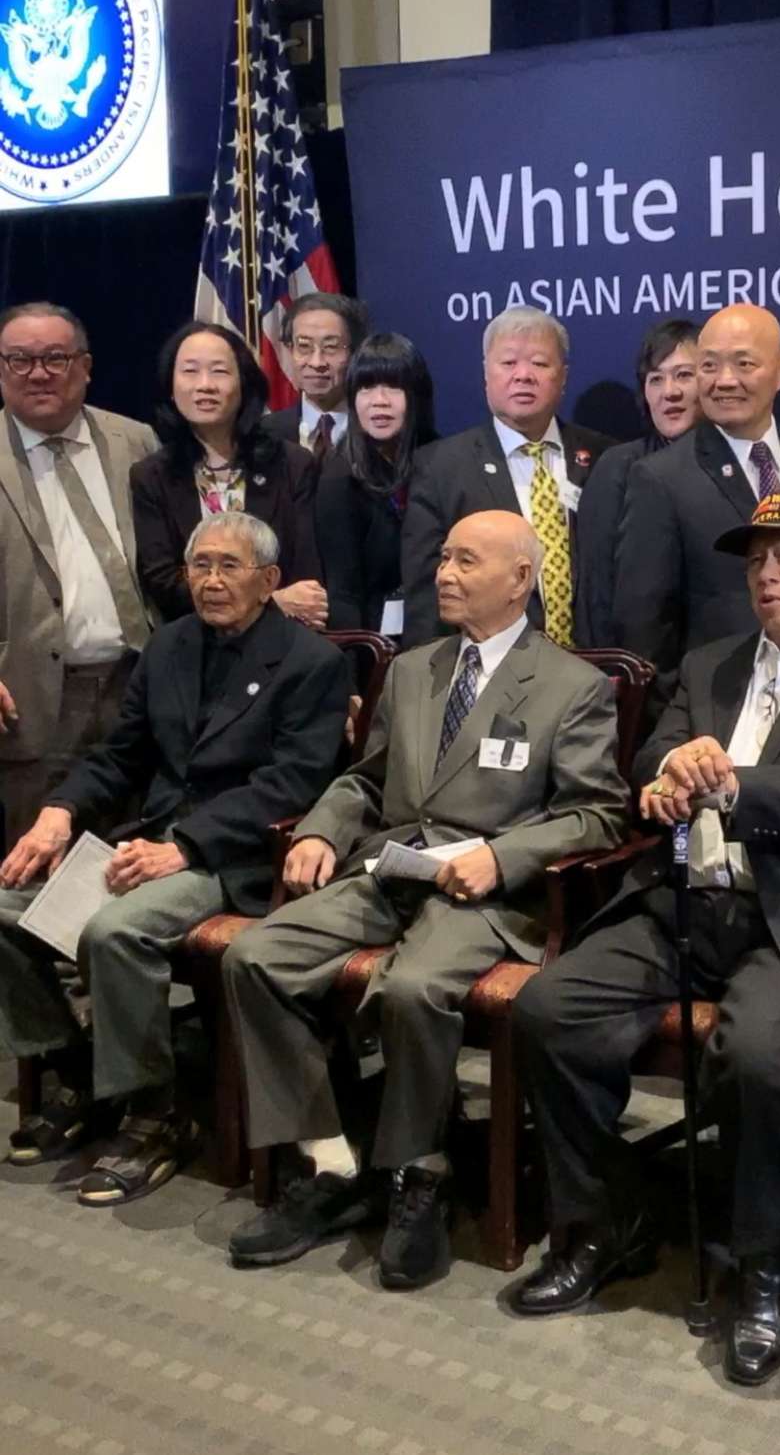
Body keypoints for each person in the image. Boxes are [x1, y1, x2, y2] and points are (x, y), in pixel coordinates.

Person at [509, 490, 780, 1390]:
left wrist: (733, 783)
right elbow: (649, 763)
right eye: (753, 562)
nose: (767, 575)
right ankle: (603, 1220)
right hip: (688, 900)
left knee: (760, 1055)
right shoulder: (708, 665)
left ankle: (762, 1267)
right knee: (549, 1008)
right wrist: (664, 780)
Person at [223, 509, 630, 1290]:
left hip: (481, 893)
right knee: (255, 954)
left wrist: (502, 856)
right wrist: (318, 830)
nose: (444, 573)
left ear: (520, 579)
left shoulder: (573, 686)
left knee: (414, 989)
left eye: (466, 561)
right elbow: (366, 780)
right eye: (443, 558)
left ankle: (419, 1172)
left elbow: (597, 812)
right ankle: (334, 1161)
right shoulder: (414, 669)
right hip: (387, 869)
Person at [0, 513, 350, 1205]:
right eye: (200, 566)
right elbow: (123, 754)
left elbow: (292, 785)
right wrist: (60, 810)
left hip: (234, 859)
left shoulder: (313, 663)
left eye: (229, 566)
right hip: (150, 839)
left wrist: (184, 848)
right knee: (6, 912)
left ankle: (156, 1115)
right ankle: (82, 1071)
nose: (211, 581)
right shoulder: (167, 647)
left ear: (270, 581)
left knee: (114, 931)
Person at [612, 303, 780, 686]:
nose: (725, 381)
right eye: (709, 366)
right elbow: (643, 625)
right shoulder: (660, 478)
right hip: (715, 710)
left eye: (744, 365)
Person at [0, 301, 157, 850]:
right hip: (31, 701)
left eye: (55, 357)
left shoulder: (136, 442)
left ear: (85, 367)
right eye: (19, 359)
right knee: (27, 881)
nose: (38, 372)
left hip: (139, 688)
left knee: (126, 862)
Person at [400, 307, 614, 648]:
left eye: (540, 364)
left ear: (564, 376)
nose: (524, 375)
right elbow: (428, 591)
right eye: (509, 363)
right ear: (486, 373)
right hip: (490, 669)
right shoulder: (441, 465)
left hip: (596, 666)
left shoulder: (606, 458)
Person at [131, 321, 327, 630]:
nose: (205, 385)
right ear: (170, 387)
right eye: (190, 371)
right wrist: (273, 601)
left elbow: (305, 578)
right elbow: (164, 582)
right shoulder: (151, 475)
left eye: (219, 371)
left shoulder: (291, 464)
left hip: (284, 645)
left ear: (244, 384)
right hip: (195, 647)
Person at [574, 317, 700, 648]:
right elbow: (597, 594)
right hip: (642, 677)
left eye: (684, 375)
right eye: (655, 379)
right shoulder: (619, 467)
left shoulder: (737, 464)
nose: (669, 392)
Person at [316, 332, 439, 636]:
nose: (379, 402)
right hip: (374, 645)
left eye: (394, 387)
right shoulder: (339, 478)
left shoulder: (442, 462)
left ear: (416, 395)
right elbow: (343, 594)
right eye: (367, 388)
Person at [262, 293, 368, 459]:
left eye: (331, 347)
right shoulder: (265, 435)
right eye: (304, 346)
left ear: (354, 352)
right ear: (290, 350)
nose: (317, 363)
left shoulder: (374, 431)